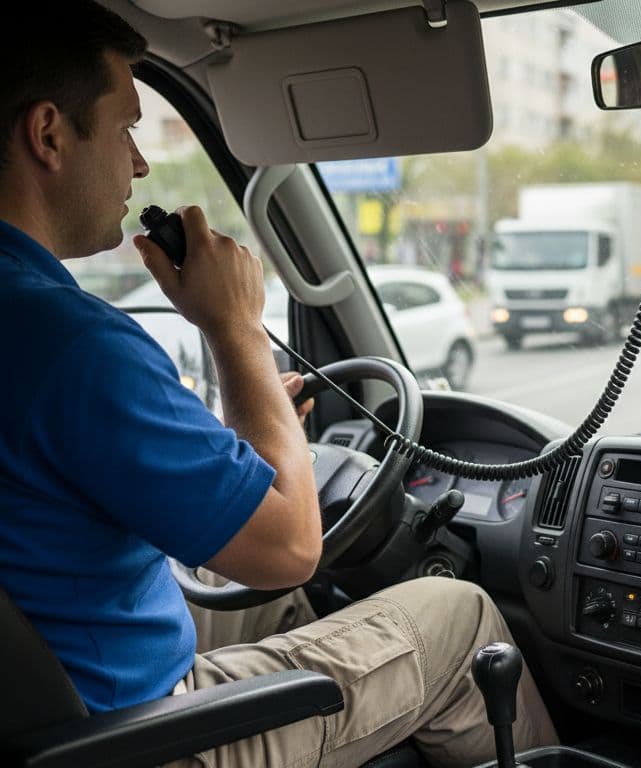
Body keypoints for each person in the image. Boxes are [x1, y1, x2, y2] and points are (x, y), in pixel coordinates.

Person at [0, 3, 555, 766]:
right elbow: (292, 546)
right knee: (457, 616)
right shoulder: (69, 344)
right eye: (127, 127)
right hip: (126, 733)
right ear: (49, 134)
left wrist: (244, 442)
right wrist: (233, 327)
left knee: (288, 609)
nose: (138, 164)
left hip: (46, 684)